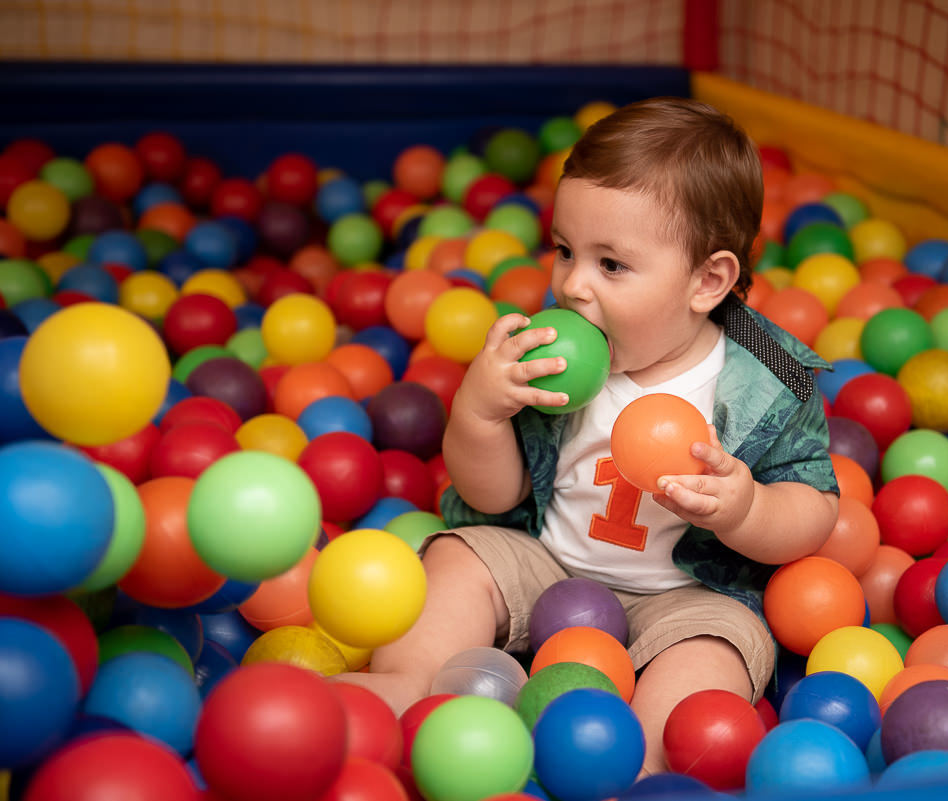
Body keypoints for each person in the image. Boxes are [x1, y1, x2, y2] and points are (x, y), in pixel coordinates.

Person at [335, 97, 840, 774]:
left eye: (611, 265)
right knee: (460, 560)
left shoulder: (773, 379)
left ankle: (644, 762)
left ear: (707, 281)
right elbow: (492, 495)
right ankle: (407, 685)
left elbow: (815, 507)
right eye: (565, 250)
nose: (573, 285)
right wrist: (480, 413)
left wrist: (746, 509)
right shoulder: (547, 354)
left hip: (684, 597)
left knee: (718, 648)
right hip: (546, 560)